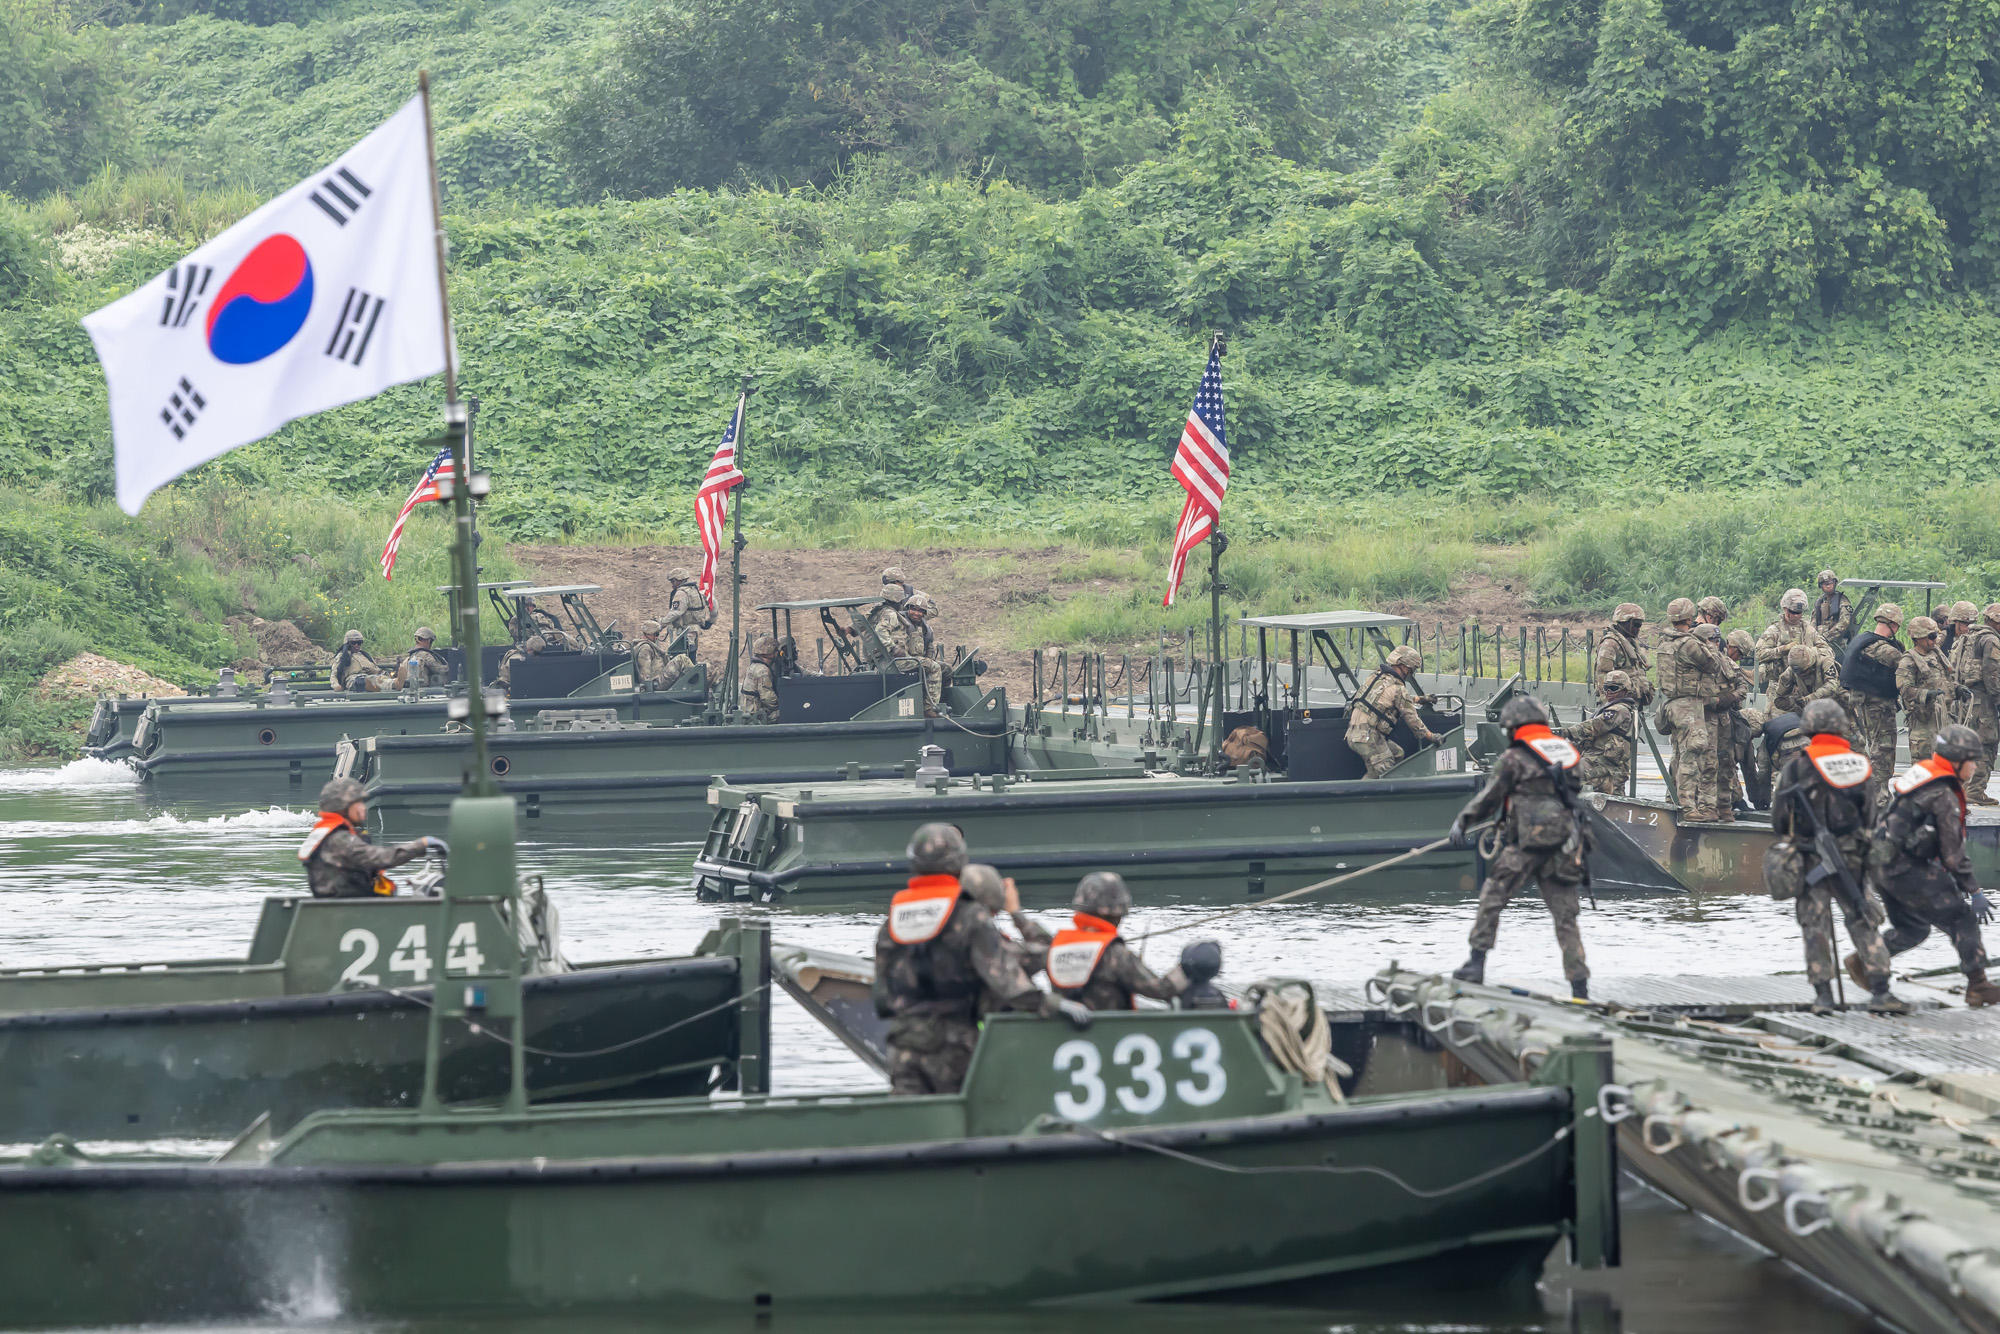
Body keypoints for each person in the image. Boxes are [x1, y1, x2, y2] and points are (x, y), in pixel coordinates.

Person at [872, 825, 1086, 1095]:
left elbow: (882, 998)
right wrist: (1057, 1006)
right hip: (954, 1047)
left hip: (902, 1045)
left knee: (916, 1125)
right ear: (960, 862)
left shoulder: (893, 920)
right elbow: (1009, 983)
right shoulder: (971, 916)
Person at [1767, 698, 1905, 1015]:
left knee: (1813, 926)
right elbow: (1871, 815)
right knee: (1862, 918)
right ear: (1841, 725)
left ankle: (1823, 997)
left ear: (1809, 728)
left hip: (1808, 858)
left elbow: (1778, 821)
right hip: (1852, 860)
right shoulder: (1858, 764)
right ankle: (1881, 992)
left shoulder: (1796, 767)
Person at [1449, 697, 1592, 999]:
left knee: (1493, 896)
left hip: (1526, 844)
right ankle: (1580, 987)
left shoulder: (1514, 757)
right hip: (1564, 844)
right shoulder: (1566, 752)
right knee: (1565, 917)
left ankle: (1476, 964)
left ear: (1514, 727)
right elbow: (1576, 787)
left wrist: (1463, 821)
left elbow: (1491, 796)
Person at [1866, 724, 2000, 1007]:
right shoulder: (1943, 794)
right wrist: (1974, 891)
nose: (1975, 767)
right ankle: (1978, 986)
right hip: (1907, 868)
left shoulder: (1924, 774)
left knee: (1913, 928)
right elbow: (1953, 854)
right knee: (1962, 919)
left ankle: (1868, 965)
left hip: (1882, 865)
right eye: (1972, 760)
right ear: (1957, 761)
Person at [1043, 872, 1189, 1009]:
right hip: (1110, 1031)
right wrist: (1188, 968)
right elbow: (1160, 990)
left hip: (1065, 1031)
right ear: (1117, 912)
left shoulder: (1056, 947)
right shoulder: (1116, 954)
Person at [298, 778, 446, 898]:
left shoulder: (330, 834)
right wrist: (421, 845)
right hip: (348, 910)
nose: (363, 808)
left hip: (345, 904)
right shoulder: (339, 838)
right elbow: (379, 858)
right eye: (358, 803)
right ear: (343, 807)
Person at [1657, 598, 1725, 820]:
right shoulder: (1689, 643)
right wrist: (1711, 645)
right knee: (1692, 754)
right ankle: (1687, 807)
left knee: (1677, 754)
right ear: (1689, 617)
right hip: (1689, 705)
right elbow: (1713, 664)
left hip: (1672, 704)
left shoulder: (1665, 641)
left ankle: (1672, 798)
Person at [1344, 644, 1443, 779]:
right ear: (1403, 666)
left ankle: (1363, 792)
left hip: (1354, 734)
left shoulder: (1375, 677)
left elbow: (1386, 700)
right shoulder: (1397, 687)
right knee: (1387, 772)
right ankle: (1362, 798)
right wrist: (1432, 737)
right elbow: (1413, 720)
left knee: (1396, 754)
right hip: (1368, 737)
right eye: (1411, 670)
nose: (1410, 674)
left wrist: (1421, 699)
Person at [1839, 604, 1905, 800]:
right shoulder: (1884, 649)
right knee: (1883, 750)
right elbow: (1906, 667)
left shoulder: (1862, 640)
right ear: (1893, 624)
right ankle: (1879, 795)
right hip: (1880, 705)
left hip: (1865, 703)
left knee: (1874, 747)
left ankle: (1873, 792)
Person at [1560, 669, 1637, 795]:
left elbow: (1595, 725)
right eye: (1606, 687)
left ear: (1624, 690)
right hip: (1597, 761)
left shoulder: (1620, 710)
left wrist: (1568, 732)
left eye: (1613, 688)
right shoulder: (1608, 707)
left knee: (1570, 775)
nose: (1608, 692)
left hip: (1608, 767)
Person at [1953, 603, 2000, 806]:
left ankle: (1965, 787)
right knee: (1987, 743)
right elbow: (1992, 673)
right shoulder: (1990, 640)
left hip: (1967, 698)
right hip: (1984, 699)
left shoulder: (1968, 637)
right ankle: (1975, 790)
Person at [1898, 616, 1952, 762]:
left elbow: (1945, 680)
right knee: (1923, 767)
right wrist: (1926, 694)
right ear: (1918, 638)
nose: (1935, 640)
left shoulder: (1936, 655)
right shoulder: (1908, 660)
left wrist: (1958, 689)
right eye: (1931, 636)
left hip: (1941, 721)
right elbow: (1904, 688)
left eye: (1936, 635)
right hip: (1922, 724)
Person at [886, 592, 947, 717]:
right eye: (914, 609)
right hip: (901, 661)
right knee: (934, 667)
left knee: (946, 669)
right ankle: (928, 708)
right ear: (908, 609)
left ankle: (939, 700)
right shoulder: (900, 624)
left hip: (918, 660)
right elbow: (898, 649)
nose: (916, 613)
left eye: (920, 611)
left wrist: (928, 659)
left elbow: (929, 647)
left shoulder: (925, 628)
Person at [1755, 589, 1828, 679]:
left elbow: (1828, 651)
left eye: (1799, 612)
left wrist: (1808, 652)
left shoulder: (1809, 630)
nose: (1796, 615)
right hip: (1779, 684)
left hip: (1806, 683)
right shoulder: (1774, 630)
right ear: (1785, 609)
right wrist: (1782, 649)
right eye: (1793, 612)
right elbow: (1758, 654)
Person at [1595, 604, 1654, 706]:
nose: (1638, 629)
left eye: (1640, 625)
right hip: (1619, 706)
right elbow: (1602, 679)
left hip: (1632, 703)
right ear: (1624, 622)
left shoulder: (1629, 643)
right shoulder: (1610, 644)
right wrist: (1610, 706)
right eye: (1636, 624)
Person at [1770, 642, 1840, 716]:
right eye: (1798, 672)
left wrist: (1810, 699)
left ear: (1811, 665)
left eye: (1804, 671)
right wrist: (1796, 704)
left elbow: (1832, 685)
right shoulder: (1790, 673)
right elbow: (1779, 699)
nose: (1801, 674)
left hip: (1834, 702)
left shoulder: (1825, 661)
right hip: (1811, 709)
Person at [660, 568, 713, 656]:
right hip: (695, 630)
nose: (672, 585)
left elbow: (675, 613)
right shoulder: (698, 590)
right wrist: (711, 621)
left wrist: (660, 625)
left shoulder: (681, 593)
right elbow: (713, 603)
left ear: (677, 580)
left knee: (683, 658)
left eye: (672, 582)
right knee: (691, 655)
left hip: (685, 631)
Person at [630, 620, 693, 691]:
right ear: (649, 634)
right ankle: (698, 680)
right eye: (656, 634)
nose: (657, 637)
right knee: (681, 659)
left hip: (658, 679)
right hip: (656, 683)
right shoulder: (645, 648)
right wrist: (648, 688)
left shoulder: (646, 646)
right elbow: (644, 676)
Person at [739, 634, 783, 723]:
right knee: (789, 713)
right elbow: (768, 698)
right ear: (769, 651)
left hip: (751, 711)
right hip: (757, 716)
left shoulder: (755, 666)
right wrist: (783, 703)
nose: (777, 653)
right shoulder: (762, 671)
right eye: (775, 650)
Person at [1813, 571, 1854, 651]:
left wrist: (1826, 636)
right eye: (1825, 584)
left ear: (1835, 583)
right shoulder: (1820, 602)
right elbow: (1813, 621)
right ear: (1821, 586)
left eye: (1830, 583)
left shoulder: (1842, 601)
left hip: (1837, 641)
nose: (1828, 586)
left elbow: (1844, 623)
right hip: (1820, 639)